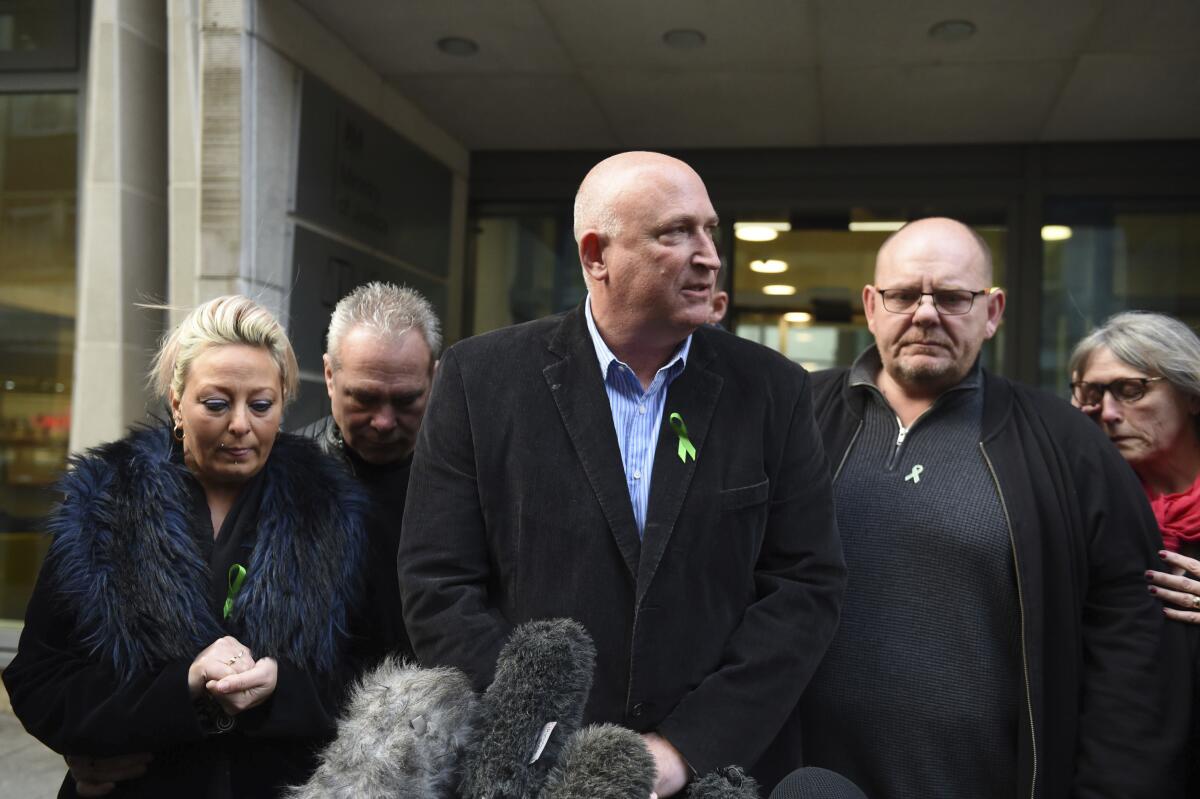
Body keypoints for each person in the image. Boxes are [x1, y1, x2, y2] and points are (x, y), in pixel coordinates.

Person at [397, 151, 846, 796]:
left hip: (717, 774)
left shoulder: (772, 390)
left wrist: (682, 750)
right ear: (596, 254)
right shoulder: (481, 380)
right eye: (675, 233)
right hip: (536, 777)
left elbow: (805, 586)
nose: (709, 256)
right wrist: (551, 742)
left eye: (710, 231)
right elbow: (437, 584)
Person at [801, 217, 1186, 797]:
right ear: (872, 305)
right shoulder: (793, 419)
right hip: (806, 781)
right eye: (904, 295)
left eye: (954, 297)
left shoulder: (1065, 443)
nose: (925, 314)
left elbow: (1131, 641)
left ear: (993, 311)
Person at [3, 296, 368, 798]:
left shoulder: (332, 510)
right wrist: (183, 685)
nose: (240, 424)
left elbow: (369, 675)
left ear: (283, 404)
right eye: (216, 404)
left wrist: (283, 687)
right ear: (177, 403)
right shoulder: (105, 503)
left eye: (260, 405)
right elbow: (39, 677)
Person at [297, 281, 440, 663]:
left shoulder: (471, 484)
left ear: (434, 380)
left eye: (406, 400)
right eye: (364, 397)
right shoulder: (284, 477)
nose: (383, 421)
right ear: (329, 376)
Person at [1070, 312, 1200, 619]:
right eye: (1094, 394)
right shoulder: (1085, 502)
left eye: (1131, 390)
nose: (1109, 413)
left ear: (1191, 395)